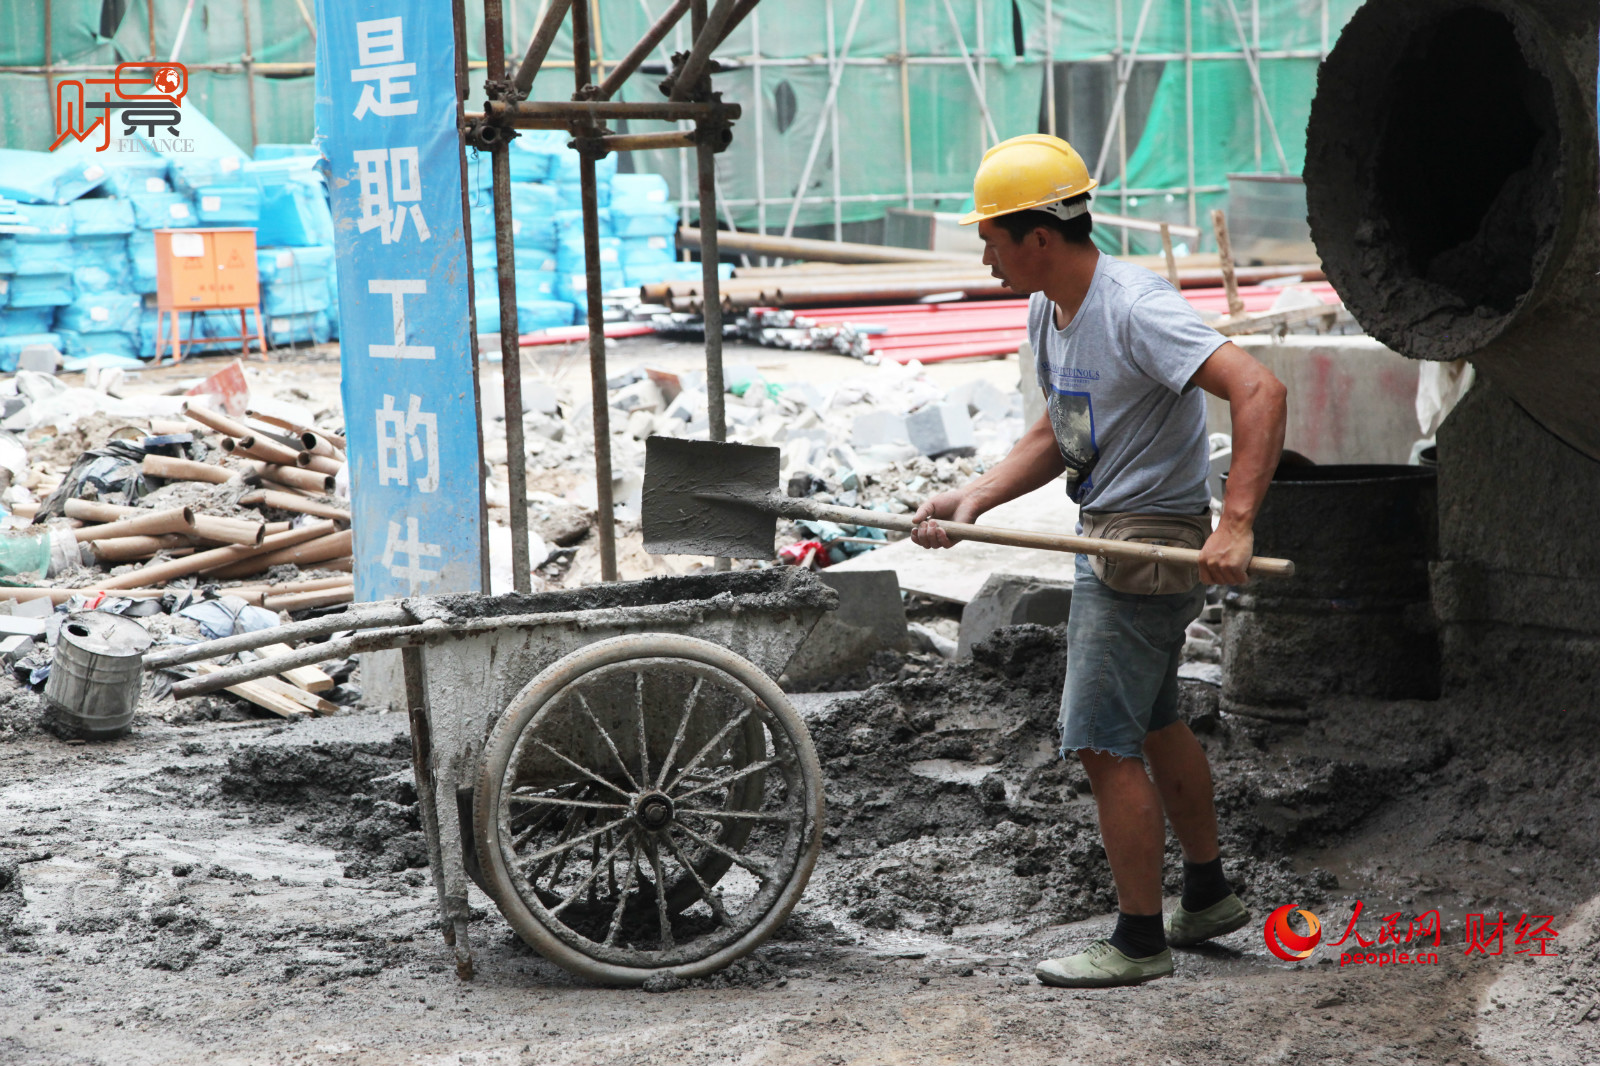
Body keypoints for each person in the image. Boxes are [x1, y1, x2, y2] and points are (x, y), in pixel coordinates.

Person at [911, 134, 1288, 988]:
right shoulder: (1052, 307)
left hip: (1140, 549)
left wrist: (1235, 524)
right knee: (1155, 722)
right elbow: (1057, 432)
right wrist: (973, 501)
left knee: (1099, 743)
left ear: (1038, 237)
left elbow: (1259, 388)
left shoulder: (1132, 306)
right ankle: (1206, 895)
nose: (984, 254)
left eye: (992, 237)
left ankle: (1139, 939)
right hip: (1111, 533)